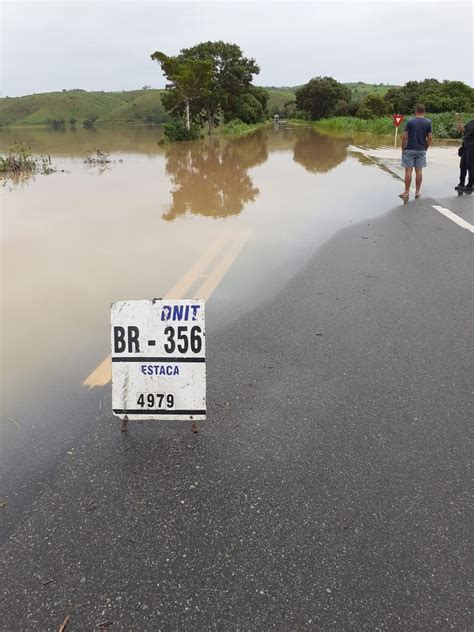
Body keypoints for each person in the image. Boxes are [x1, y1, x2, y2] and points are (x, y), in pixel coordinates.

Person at [399, 103, 432, 202]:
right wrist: (425, 148)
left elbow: (404, 137)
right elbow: (430, 138)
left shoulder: (410, 122)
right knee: (419, 171)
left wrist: (403, 149)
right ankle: (417, 192)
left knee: (408, 171)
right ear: (424, 112)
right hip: (421, 150)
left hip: (409, 149)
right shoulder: (428, 122)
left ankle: (406, 192)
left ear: (416, 111)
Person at [455, 113, 474, 192]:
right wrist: (458, 119)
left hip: (472, 145)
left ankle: (471, 184)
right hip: (466, 145)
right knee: (462, 165)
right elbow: (462, 130)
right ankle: (461, 183)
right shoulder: (471, 122)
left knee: (470, 165)